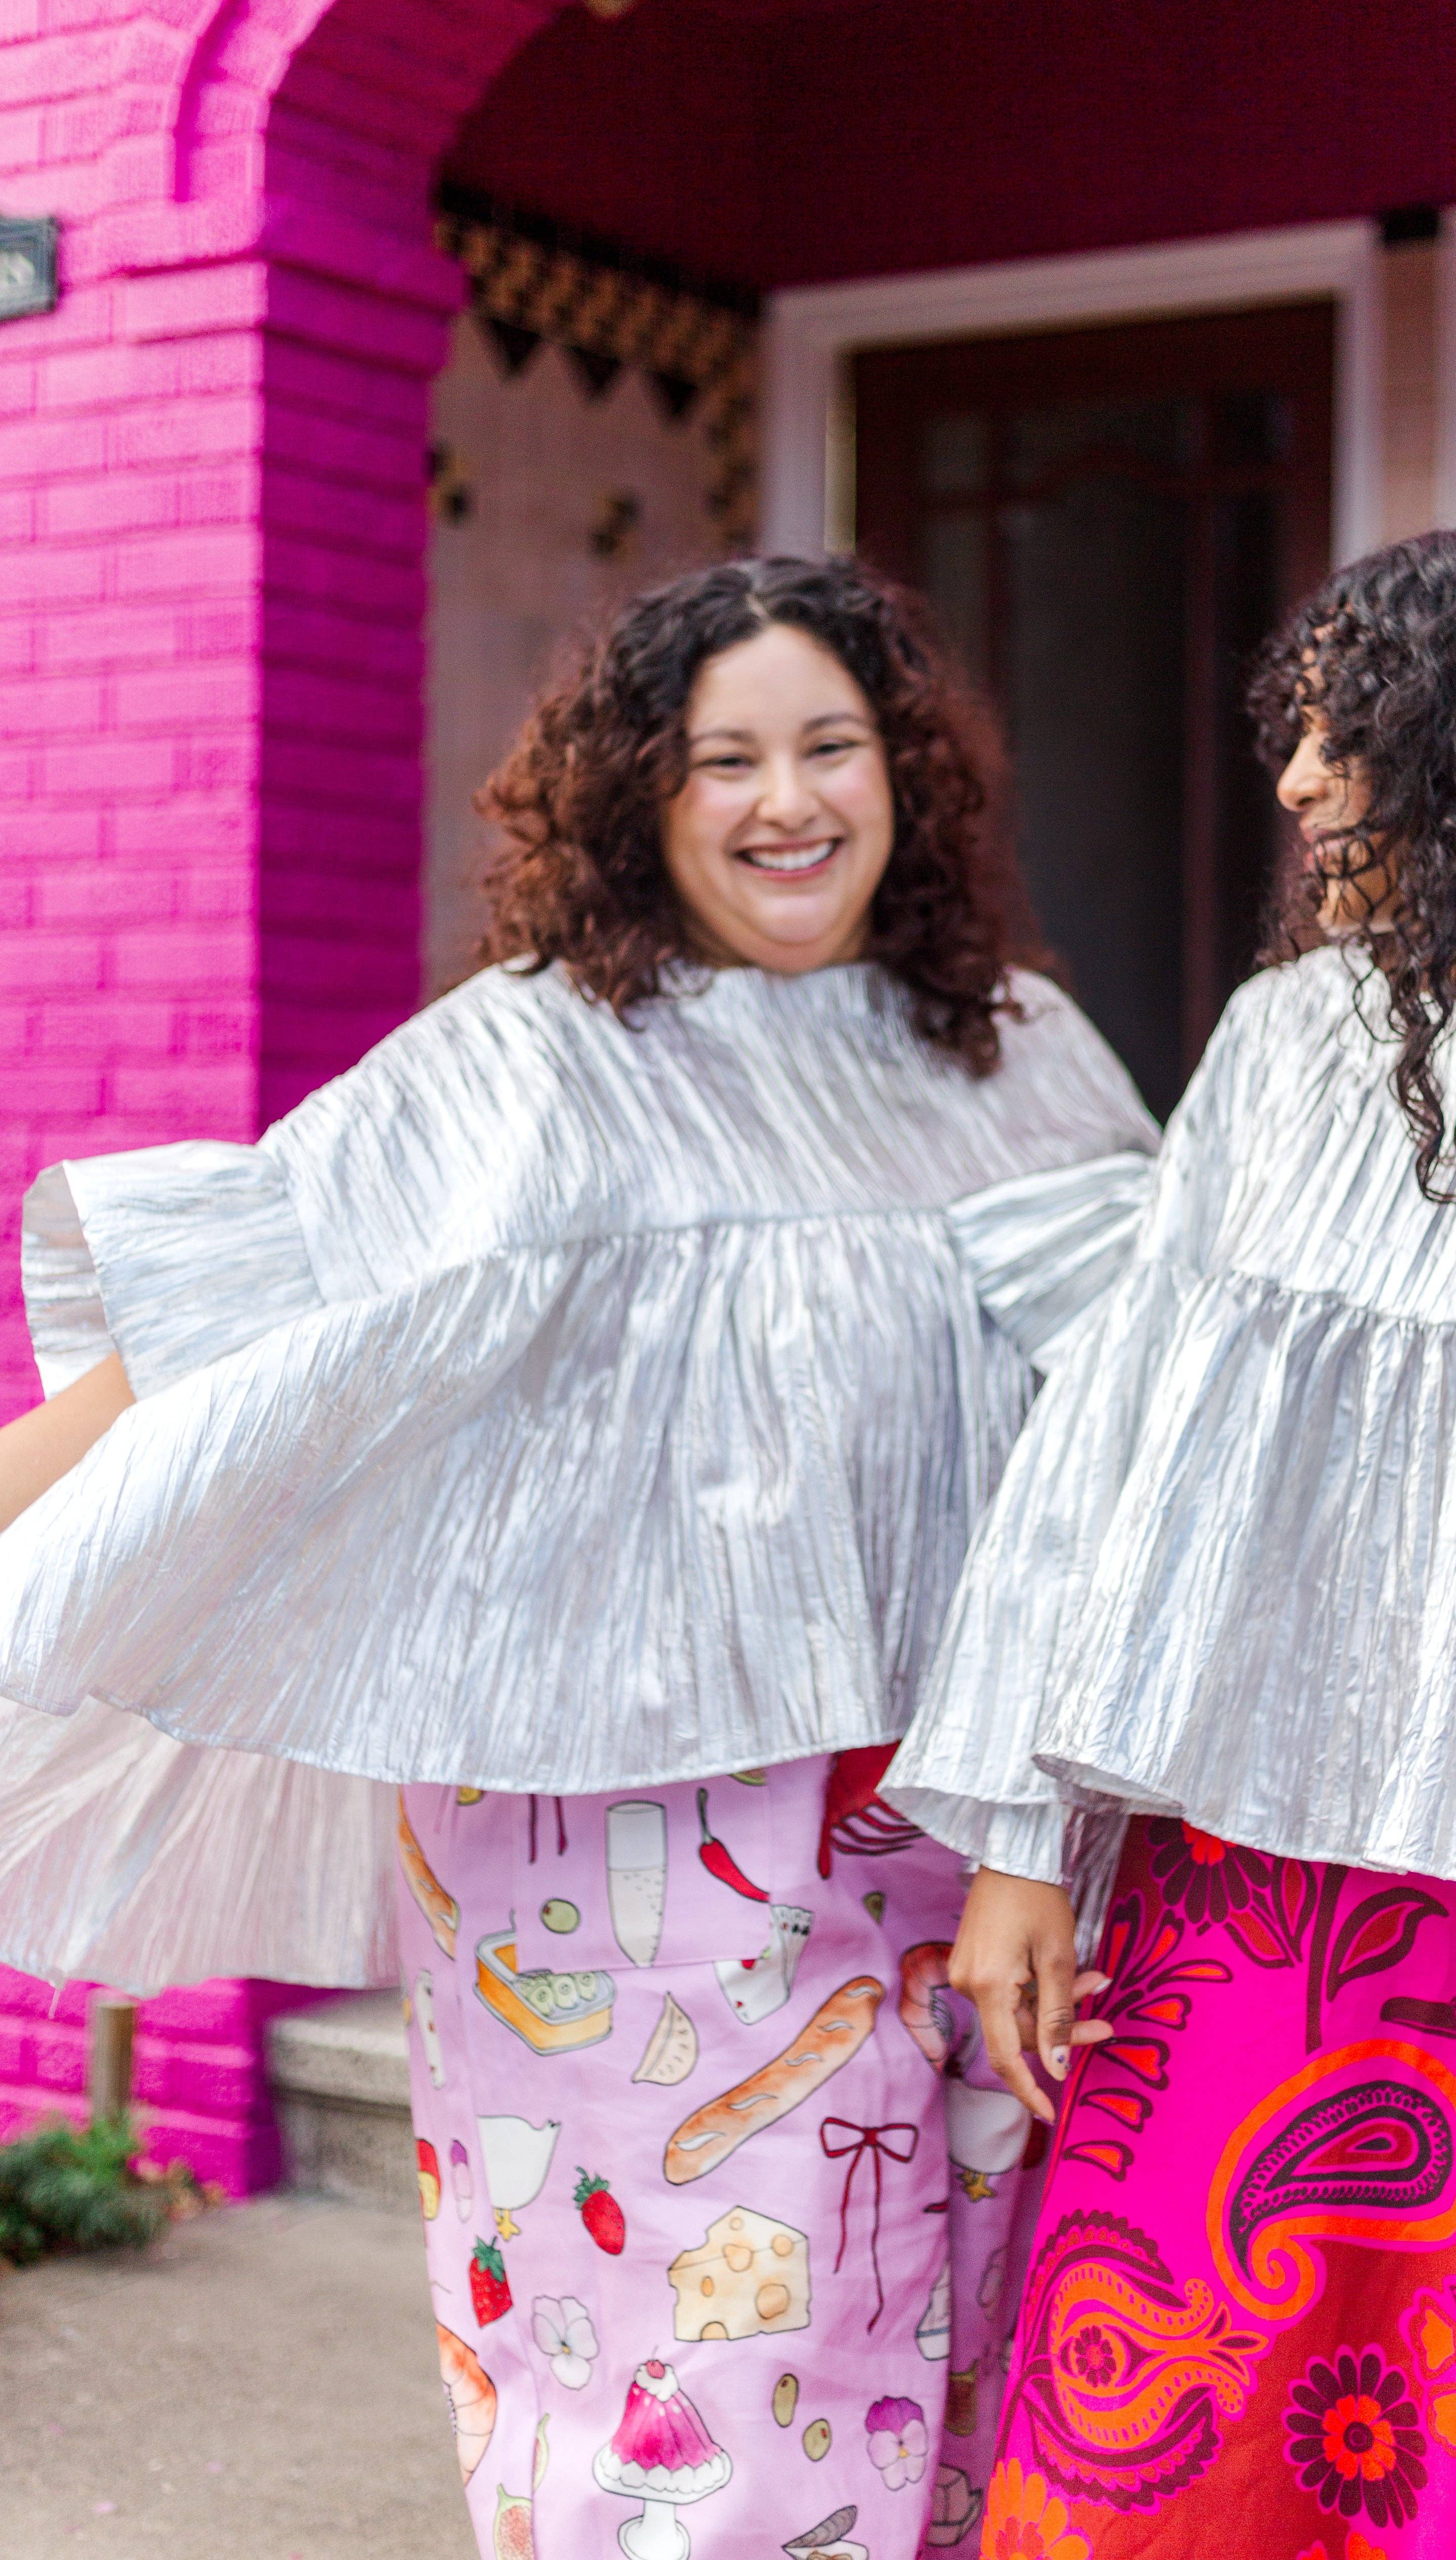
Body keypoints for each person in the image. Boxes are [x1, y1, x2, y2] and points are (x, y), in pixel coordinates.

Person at [0, 557, 1157, 2560]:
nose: (785, 799)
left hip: (963, 1824)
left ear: (904, 777)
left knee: (969, 2306)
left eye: (829, 745)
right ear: (640, 797)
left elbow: (1176, 1404)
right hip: (608, 1845)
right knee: (687, 2371)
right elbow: (239, 1296)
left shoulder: (1022, 1053)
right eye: (724, 759)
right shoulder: (535, 1055)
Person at [887, 522, 1456, 2560]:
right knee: (1164, 2441)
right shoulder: (1287, 1052)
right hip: (1246, 1881)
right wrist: (1027, 1852)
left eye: (1350, 730)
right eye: (1290, 727)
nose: (1295, 781)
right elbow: (1115, 1462)